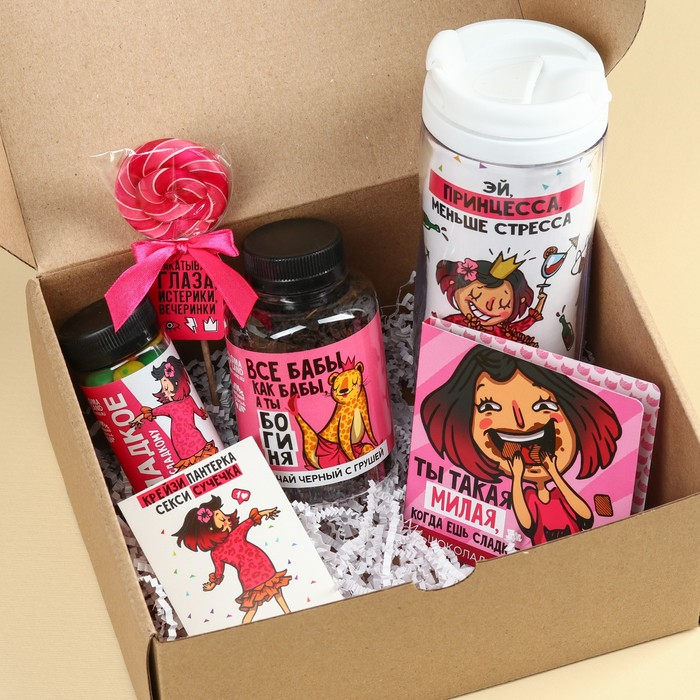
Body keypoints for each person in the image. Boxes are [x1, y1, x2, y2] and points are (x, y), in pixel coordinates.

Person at [420, 346, 622, 546]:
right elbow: (526, 524)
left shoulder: (560, 494)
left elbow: (585, 516)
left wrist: (554, 473)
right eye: (489, 407)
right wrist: (517, 476)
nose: (521, 423)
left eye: (543, 405)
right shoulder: (529, 497)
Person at [174, 495, 292, 624]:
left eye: (224, 516)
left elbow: (251, 520)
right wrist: (212, 584)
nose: (226, 519)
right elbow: (219, 572)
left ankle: (289, 614)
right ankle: (246, 628)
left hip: (264, 566)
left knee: (276, 593)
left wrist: (266, 512)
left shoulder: (234, 535)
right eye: (221, 519)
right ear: (210, 528)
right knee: (253, 607)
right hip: (250, 575)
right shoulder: (218, 550)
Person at [436, 254, 547, 346]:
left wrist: (541, 301)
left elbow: (523, 324)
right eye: (476, 295)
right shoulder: (457, 321)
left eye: (503, 304)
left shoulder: (504, 330)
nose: (488, 307)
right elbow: (439, 332)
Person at [130, 356, 217, 471]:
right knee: (193, 470)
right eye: (163, 388)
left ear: (176, 382)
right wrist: (138, 419)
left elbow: (199, 412)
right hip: (181, 445)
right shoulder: (171, 406)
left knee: (206, 463)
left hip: (194, 440)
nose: (164, 391)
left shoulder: (183, 402)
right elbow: (152, 412)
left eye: (165, 387)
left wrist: (204, 414)